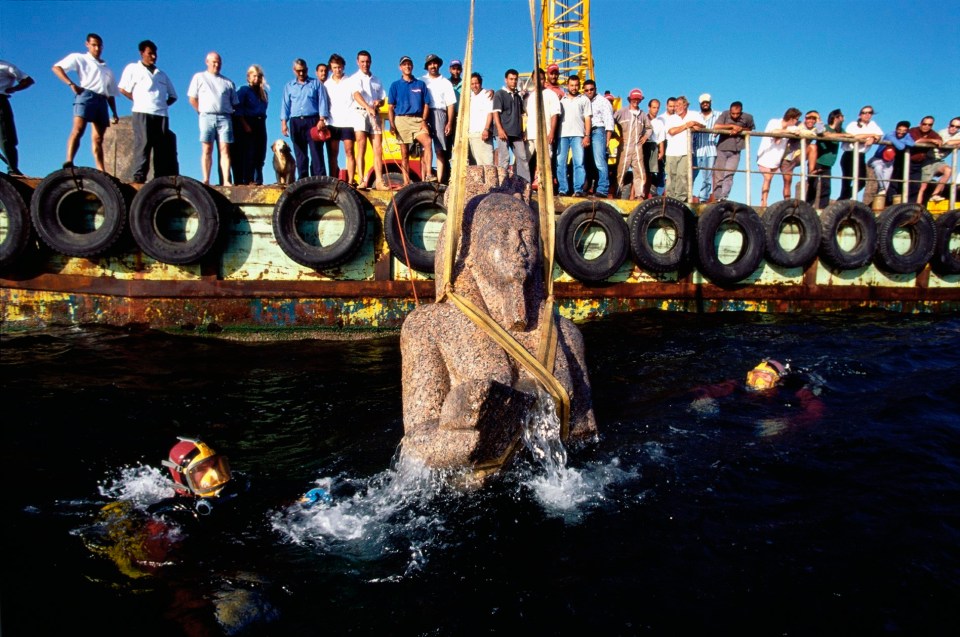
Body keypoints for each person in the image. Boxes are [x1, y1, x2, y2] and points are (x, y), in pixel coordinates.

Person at [690, 359, 825, 437]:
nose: (758, 379)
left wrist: (787, 424)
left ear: (777, 380)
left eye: (766, 376)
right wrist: (703, 398)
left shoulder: (793, 391)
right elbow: (706, 388)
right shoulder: (738, 385)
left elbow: (816, 411)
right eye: (755, 375)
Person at [52, 33, 120, 172]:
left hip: (101, 100)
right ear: (87, 45)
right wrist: (70, 84)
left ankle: (101, 169)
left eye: (99, 46)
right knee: (78, 129)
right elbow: (56, 68)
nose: (97, 48)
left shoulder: (107, 69)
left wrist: (114, 112)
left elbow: (110, 93)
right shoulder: (80, 58)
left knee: (98, 139)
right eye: (94, 45)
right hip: (86, 94)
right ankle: (69, 160)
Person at [118, 40, 178, 183]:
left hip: (161, 114)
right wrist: (137, 99)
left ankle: (160, 178)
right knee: (143, 144)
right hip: (142, 111)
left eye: (155, 54)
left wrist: (163, 104)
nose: (153, 57)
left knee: (161, 148)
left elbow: (173, 96)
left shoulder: (161, 74)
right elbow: (123, 88)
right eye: (150, 53)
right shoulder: (133, 68)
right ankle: (139, 177)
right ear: (142, 53)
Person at [187, 51, 238, 185]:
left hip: (224, 117)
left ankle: (226, 180)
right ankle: (206, 179)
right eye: (214, 62)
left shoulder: (227, 82)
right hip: (206, 116)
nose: (217, 65)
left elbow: (235, 103)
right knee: (207, 148)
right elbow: (192, 98)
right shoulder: (199, 77)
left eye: (219, 62)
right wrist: (201, 111)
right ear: (207, 62)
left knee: (225, 149)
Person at [280, 58, 330, 180]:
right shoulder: (289, 86)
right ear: (294, 71)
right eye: (298, 71)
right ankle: (303, 179)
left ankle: (320, 180)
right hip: (296, 122)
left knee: (316, 153)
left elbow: (322, 102)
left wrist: (322, 119)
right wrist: (284, 123)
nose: (301, 73)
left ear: (307, 70)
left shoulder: (316, 83)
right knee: (300, 154)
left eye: (303, 71)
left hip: (313, 121)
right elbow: (285, 105)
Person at [387, 55, 434, 186]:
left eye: (409, 64)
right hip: (401, 120)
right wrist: (392, 124)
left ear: (412, 66)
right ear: (400, 67)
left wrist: (424, 120)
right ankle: (406, 182)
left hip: (418, 120)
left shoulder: (420, 84)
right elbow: (390, 107)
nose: (407, 66)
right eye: (404, 64)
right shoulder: (395, 85)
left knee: (427, 142)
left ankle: (429, 174)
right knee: (404, 153)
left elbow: (426, 104)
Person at [350, 50, 387, 189]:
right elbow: (356, 95)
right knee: (361, 146)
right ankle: (361, 180)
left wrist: (379, 103)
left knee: (378, 148)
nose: (365, 64)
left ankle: (379, 181)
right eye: (362, 62)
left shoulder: (377, 79)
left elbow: (383, 98)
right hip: (360, 113)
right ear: (358, 62)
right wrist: (367, 107)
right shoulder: (355, 78)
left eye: (367, 61)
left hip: (375, 114)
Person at [421, 53, 457, 185]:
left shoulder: (445, 82)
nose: (433, 66)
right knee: (424, 148)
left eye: (435, 63)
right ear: (427, 66)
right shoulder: (422, 81)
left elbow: (450, 104)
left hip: (440, 113)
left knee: (440, 149)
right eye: (430, 64)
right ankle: (425, 180)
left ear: (439, 65)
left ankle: (440, 182)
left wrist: (449, 122)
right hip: (424, 113)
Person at [756, 107, 801, 207]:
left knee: (770, 179)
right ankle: (763, 202)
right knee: (767, 178)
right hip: (765, 156)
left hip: (776, 159)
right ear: (791, 118)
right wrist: (789, 132)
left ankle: (767, 201)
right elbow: (775, 132)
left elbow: (798, 132)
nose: (797, 122)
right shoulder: (774, 122)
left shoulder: (793, 128)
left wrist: (791, 131)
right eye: (796, 119)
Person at [524, 68, 561, 188]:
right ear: (532, 79)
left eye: (541, 78)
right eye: (536, 78)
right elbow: (528, 116)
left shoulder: (551, 94)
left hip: (545, 134)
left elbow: (554, 115)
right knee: (526, 160)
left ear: (544, 79)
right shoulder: (529, 97)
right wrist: (525, 132)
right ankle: (525, 185)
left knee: (545, 162)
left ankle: (546, 186)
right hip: (530, 134)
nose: (539, 81)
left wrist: (551, 133)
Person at [711, 100, 755, 202]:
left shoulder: (748, 117)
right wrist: (732, 126)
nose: (735, 116)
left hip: (736, 150)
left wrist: (741, 129)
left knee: (729, 175)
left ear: (741, 112)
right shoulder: (725, 114)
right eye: (733, 113)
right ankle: (717, 197)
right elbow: (716, 126)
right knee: (719, 174)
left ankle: (724, 197)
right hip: (722, 148)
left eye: (737, 114)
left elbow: (750, 129)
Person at [492, 68, 530, 183]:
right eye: (511, 79)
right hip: (503, 132)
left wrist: (522, 131)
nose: (513, 81)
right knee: (504, 159)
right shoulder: (500, 94)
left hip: (516, 133)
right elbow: (495, 113)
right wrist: (499, 129)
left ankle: (525, 184)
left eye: (515, 79)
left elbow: (521, 115)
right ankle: (503, 184)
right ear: (506, 80)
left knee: (522, 158)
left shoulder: (518, 97)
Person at [664, 96, 705, 202]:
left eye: (678, 105)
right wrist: (686, 125)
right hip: (671, 152)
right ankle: (670, 198)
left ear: (685, 105)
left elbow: (703, 126)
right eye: (675, 106)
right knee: (671, 175)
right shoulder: (671, 118)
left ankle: (680, 199)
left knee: (682, 175)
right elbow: (672, 131)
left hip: (686, 151)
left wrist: (695, 124)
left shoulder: (694, 115)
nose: (676, 108)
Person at [323, 53, 357, 184]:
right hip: (332, 122)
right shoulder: (327, 84)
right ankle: (333, 179)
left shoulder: (350, 81)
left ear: (343, 67)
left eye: (340, 67)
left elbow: (356, 97)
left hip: (348, 122)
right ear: (331, 68)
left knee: (349, 151)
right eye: (335, 67)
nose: (338, 70)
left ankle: (350, 180)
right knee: (333, 154)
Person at [613, 88, 651, 200]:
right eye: (634, 99)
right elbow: (611, 122)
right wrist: (616, 135)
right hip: (624, 147)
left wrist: (645, 137)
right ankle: (618, 193)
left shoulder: (642, 115)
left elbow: (649, 128)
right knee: (621, 171)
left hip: (637, 147)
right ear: (630, 99)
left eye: (638, 99)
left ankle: (639, 195)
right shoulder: (622, 112)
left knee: (639, 171)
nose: (636, 101)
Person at [557, 75, 592, 196]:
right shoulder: (561, 100)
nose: (574, 87)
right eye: (571, 85)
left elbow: (588, 118)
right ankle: (563, 189)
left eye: (576, 85)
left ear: (579, 85)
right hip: (562, 135)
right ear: (567, 85)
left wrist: (587, 135)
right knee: (560, 162)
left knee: (579, 163)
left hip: (578, 135)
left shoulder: (584, 100)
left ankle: (578, 189)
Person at [838, 105, 882, 201]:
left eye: (869, 112)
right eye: (864, 112)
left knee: (861, 181)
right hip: (850, 154)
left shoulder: (873, 124)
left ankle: (842, 199)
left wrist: (873, 138)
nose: (867, 115)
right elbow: (854, 136)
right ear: (859, 115)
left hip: (861, 155)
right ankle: (842, 200)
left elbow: (879, 135)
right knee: (847, 180)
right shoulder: (853, 124)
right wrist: (871, 134)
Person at [234, 64, 269, 185]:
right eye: (254, 76)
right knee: (250, 152)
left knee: (261, 152)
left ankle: (258, 179)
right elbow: (238, 109)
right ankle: (248, 179)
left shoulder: (263, 93)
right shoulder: (243, 90)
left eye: (259, 76)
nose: (256, 79)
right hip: (248, 122)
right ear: (248, 77)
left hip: (261, 122)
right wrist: (244, 124)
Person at [0, 58, 34, 176]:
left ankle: (12, 169)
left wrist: (14, 89)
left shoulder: (6, 66)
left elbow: (28, 80)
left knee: (6, 137)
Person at [583, 79, 614, 197]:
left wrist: (607, 139)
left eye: (591, 89)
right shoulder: (583, 101)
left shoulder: (603, 102)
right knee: (586, 161)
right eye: (586, 90)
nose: (589, 92)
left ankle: (603, 189)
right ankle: (586, 187)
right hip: (586, 133)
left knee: (599, 161)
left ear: (595, 89)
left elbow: (609, 121)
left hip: (598, 130)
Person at [807, 109, 844, 208]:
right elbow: (821, 132)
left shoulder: (840, 130)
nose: (843, 118)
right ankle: (807, 207)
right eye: (842, 116)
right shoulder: (826, 127)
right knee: (813, 185)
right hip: (817, 161)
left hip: (828, 164)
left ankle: (823, 208)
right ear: (836, 117)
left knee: (826, 187)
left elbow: (851, 136)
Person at [868, 120, 914, 198]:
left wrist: (904, 139)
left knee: (886, 184)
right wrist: (904, 141)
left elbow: (912, 143)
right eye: (899, 130)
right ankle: (881, 189)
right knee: (878, 168)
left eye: (904, 131)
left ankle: (881, 198)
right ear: (896, 129)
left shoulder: (907, 135)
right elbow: (901, 147)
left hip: (889, 162)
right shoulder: (890, 135)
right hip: (878, 159)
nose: (901, 132)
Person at [909, 116, 944, 204]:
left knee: (916, 185)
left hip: (919, 163)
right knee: (898, 183)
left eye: (929, 125)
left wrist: (934, 140)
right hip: (905, 161)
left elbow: (939, 141)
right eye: (924, 124)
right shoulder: (913, 130)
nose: (926, 126)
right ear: (920, 124)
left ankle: (912, 208)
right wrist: (931, 140)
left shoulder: (932, 133)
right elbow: (916, 141)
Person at [692, 93, 719, 203]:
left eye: (707, 102)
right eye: (703, 103)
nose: (705, 104)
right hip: (697, 150)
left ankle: (704, 198)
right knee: (691, 175)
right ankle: (688, 195)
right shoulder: (696, 115)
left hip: (710, 150)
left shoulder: (718, 115)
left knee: (707, 177)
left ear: (710, 102)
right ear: (700, 104)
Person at [927, 117, 960, 202]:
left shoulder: (958, 135)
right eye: (952, 125)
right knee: (921, 185)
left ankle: (935, 195)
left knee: (949, 170)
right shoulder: (943, 132)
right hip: (927, 160)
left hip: (938, 161)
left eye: (957, 127)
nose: (954, 128)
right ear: (948, 125)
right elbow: (947, 143)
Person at [467, 72, 495, 166]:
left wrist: (486, 129)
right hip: (472, 134)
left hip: (483, 133)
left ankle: (490, 181)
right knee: (478, 164)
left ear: (480, 83)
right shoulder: (469, 97)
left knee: (488, 163)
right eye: (472, 83)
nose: (474, 86)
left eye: (476, 83)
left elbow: (489, 113)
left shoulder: (486, 94)